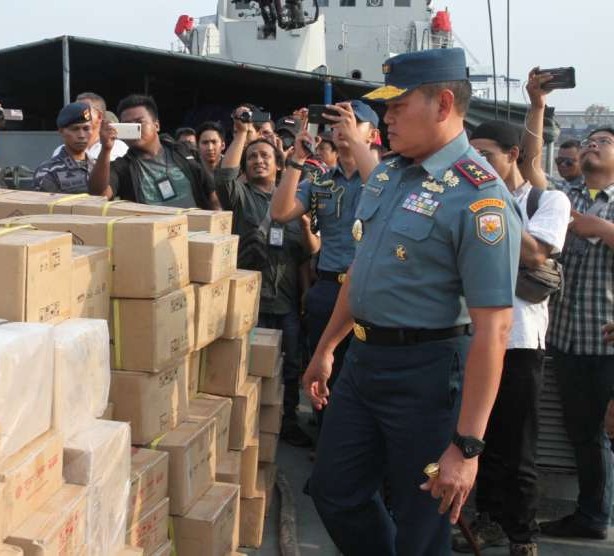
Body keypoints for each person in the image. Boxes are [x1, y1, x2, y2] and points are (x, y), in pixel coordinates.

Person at [303, 48, 522, 555]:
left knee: (421, 525)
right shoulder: (388, 174)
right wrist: (326, 348)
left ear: (443, 103)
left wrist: (467, 447)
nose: (387, 117)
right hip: (364, 363)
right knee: (333, 491)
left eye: (399, 105)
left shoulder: (480, 198)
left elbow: (495, 329)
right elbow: (361, 273)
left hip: (428, 375)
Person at [453, 120, 570, 556]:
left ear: (513, 155)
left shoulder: (548, 200)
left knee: (518, 447)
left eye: (487, 155)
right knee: (474, 442)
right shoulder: (468, 199)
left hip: (520, 342)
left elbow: (536, 252)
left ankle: (523, 534)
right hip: (472, 336)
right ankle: (487, 521)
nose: (478, 164)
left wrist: (490, 195)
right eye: (473, 155)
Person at [525, 69, 614, 541]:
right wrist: (537, 105)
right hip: (565, 339)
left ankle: (596, 517)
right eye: (589, 141)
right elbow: (533, 169)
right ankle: (591, 511)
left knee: (599, 435)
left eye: (603, 140)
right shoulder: (568, 196)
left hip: (606, 342)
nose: (592, 146)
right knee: (581, 434)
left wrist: (606, 232)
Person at [270, 99, 380, 433]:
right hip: (329, 286)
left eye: (351, 121)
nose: (340, 127)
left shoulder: (386, 174)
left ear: (372, 134)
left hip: (371, 293)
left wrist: (358, 146)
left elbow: (382, 191)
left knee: (365, 377)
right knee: (322, 373)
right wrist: (297, 161)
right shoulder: (320, 180)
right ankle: (326, 442)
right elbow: (280, 212)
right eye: (335, 121)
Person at [216, 104, 320, 447]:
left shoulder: (298, 200)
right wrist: (242, 135)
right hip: (253, 300)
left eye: (265, 156)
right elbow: (224, 177)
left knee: (290, 365)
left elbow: (306, 256)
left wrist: (306, 295)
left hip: (287, 300)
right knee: (248, 365)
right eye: (252, 158)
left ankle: (286, 421)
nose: (258, 161)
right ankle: (249, 421)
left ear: (279, 164)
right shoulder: (242, 198)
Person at [89, 94, 221, 210]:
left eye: (139, 122)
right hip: (152, 236)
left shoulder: (185, 152)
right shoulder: (122, 167)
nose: (136, 128)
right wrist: (106, 149)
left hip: (195, 234)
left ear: (156, 125)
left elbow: (212, 195)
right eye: (128, 125)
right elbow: (100, 195)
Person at [32, 102, 95, 193]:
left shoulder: (98, 166)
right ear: (62, 132)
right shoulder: (48, 171)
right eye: (75, 129)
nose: (81, 135)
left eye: (86, 129)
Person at [52, 92, 128, 161]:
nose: (77, 114)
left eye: (84, 110)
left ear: (99, 116)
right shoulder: (61, 150)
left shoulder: (119, 148)